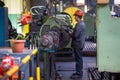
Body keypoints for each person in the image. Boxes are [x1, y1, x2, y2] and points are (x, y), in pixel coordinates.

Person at [70, 9, 86, 79]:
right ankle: (78, 72)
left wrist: (70, 34)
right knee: (79, 59)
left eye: (75, 16)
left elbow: (75, 35)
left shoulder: (78, 25)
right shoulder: (83, 24)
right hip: (80, 44)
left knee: (78, 59)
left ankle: (78, 74)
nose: (74, 18)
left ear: (77, 16)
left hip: (78, 44)